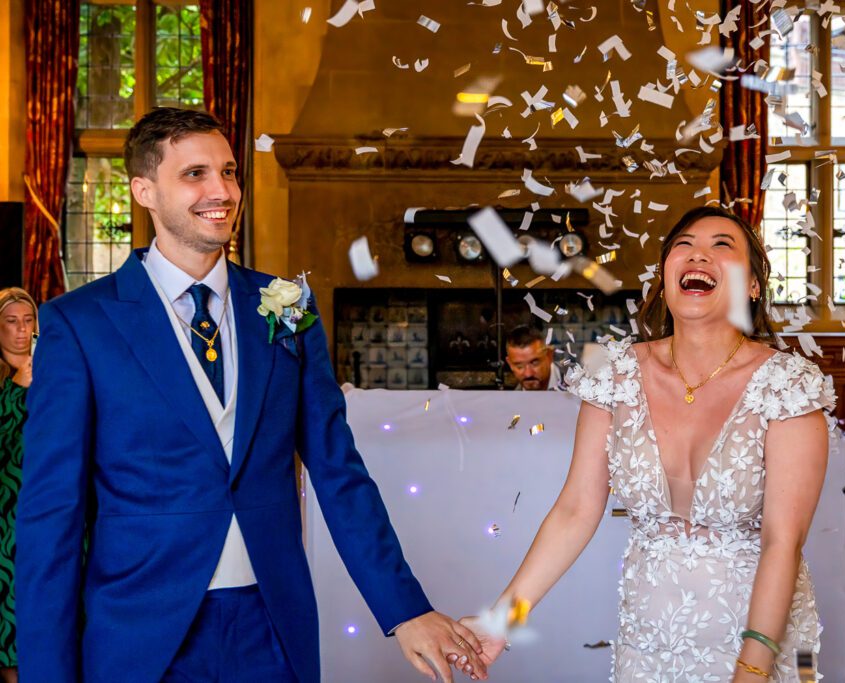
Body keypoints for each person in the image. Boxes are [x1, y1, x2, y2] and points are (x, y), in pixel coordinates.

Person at [17, 108, 486, 683]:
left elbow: (339, 472)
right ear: (144, 190)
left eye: (230, 172)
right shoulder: (79, 324)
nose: (222, 191)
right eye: (195, 174)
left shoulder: (287, 305)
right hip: (138, 634)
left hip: (272, 626)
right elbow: (50, 518)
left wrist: (405, 609)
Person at [461, 206, 835, 681]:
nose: (699, 253)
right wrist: (501, 621)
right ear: (665, 276)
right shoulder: (612, 374)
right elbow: (575, 511)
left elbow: (783, 541)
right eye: (684, 245)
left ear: (754, 285)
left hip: (758, 639)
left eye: (722, 245)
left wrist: (753, 669)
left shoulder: (788, 385)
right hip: (649, 640)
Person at [0, 288, 36, 683]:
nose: (21, 330)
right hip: (4, 512)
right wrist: (17, 386)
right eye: (11, 322)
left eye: (27, 321)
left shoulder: (56, 367)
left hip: (50, 504)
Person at [505, 326, 564, 391]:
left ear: (549, 356)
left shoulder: (575, 387)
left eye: (535, 363)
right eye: (519, 366)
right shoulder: (510, 399)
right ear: (510, 364)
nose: (528, 374)